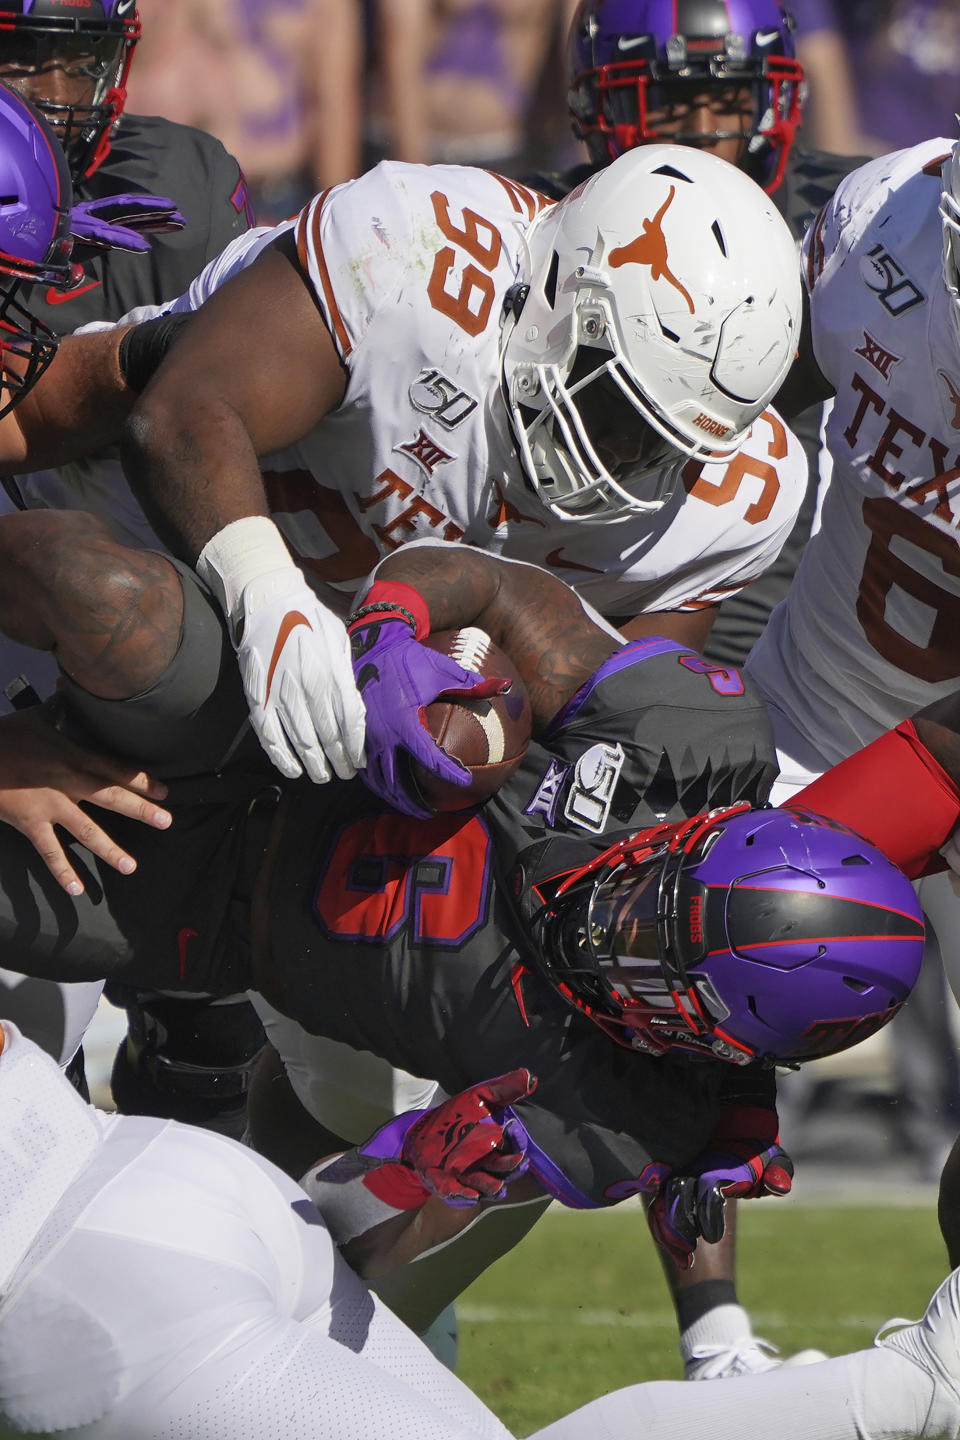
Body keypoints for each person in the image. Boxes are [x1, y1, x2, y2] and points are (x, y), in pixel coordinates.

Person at [0, 511, 926, 1313]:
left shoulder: (617, 1117)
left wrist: (411, 1175)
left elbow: (337, 1241)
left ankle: (182, 1040)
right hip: (271, 726)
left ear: (708, 1046)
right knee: (95, 585)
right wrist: (392, 635)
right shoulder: (685, 741)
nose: (622, 921)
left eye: (657, 956)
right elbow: (485, 583)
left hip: (196, 913)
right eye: (663, 890)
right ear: (714, 830)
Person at [9, 1006, 960, 1440]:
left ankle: (921, 1384)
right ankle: (917, 1384)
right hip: (159, 1199)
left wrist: (403, 1179)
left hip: (116, 1257)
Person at [0, 0, 269, 1137]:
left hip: (123, 623)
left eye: (71, 61)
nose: (47, 89)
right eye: (21, 59)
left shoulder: (182, 187)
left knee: (227, 1018)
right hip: (37, 610)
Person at [555, 0, 866, 670]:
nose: (701, 129)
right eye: (668, 100)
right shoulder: (546, 228)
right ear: (596, 104)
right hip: (599, 619)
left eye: (726, 98)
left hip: (822, 648)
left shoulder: (857, 226)